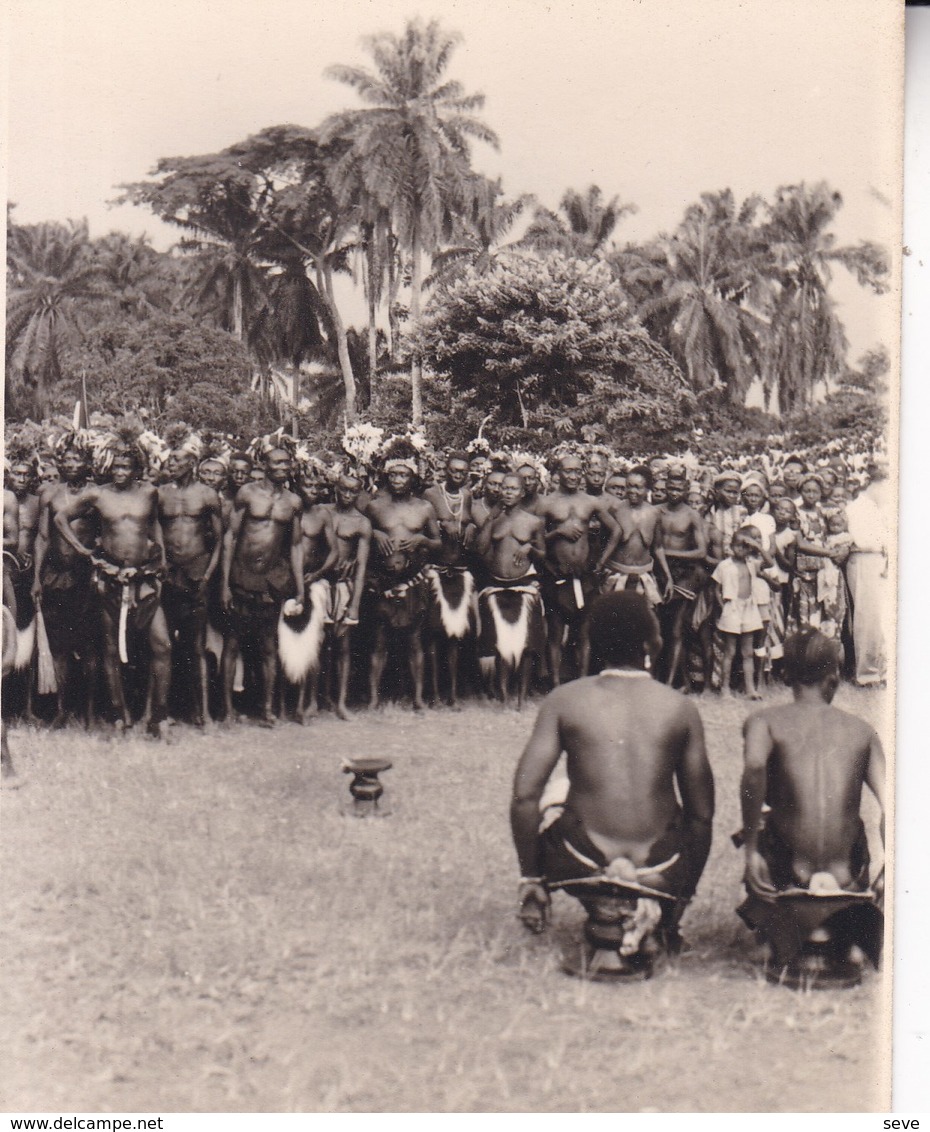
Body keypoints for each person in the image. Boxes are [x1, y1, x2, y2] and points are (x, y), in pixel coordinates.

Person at [510, 591, 714, 953]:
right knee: (687, 815)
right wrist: (683, 893)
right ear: (653, 642)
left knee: (554, 793)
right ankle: (663, 911)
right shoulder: (680, 708)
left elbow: (525, 796)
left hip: (581, 859)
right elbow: (702, 815)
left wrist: (532, 877)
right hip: (661, 863)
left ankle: (563, 895)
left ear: (592, 641)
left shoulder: (565, 699)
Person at [738, 629, 884, 971]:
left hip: (789, 877)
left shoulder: (763, 721)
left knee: (760, 821)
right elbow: (896, 806)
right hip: (848, 877)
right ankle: (847, 928)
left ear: (785, 674)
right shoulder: (863, 731)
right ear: (834, 677)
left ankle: (783, 929)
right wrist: (888, 868)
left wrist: (750, 848)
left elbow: (755, 766)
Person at [54, 442, 171, 737]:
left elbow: (154, 525)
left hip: (144, 578)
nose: (120, 472)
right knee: (109, 648)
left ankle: (159, 718)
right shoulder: (98, 494)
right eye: (116, 467)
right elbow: (60, 518)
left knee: (163, 645)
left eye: (126, 467)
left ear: (136, 470)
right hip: (110, 577)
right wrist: (84, 552)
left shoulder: (149, 493)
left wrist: (162, 558)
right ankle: (120, 716)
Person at [220, 447, 304, 726]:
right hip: (241, 576)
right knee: (232, 644)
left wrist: (300, 588)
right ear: (263, 464)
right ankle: (228, 710)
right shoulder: (247, 493)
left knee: (269, 646)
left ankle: (267, 710)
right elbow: (230, 537)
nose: (282, 467)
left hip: (270, 581)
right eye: (276, 462)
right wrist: (225, 584)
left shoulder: (293, 502)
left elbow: (294, 547)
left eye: (286, 462)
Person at [365, 456, 441, 710]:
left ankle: (418, 697)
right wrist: (375, 533)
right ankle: (375, 698)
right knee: (379, 640)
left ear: (413, 478)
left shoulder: (424, 508)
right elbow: (361, 533)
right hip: (383, 578)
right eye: (394, 474)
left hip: (413, 578)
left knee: (415, 639)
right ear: (387, 476)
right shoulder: (375, 507)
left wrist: (421, 539)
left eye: (404, 475)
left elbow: (438, 543)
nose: (398, 480)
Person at [537, 453, 621, 684]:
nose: (573, 476)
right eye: (567, 471)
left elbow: (616, 531)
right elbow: (533, 539)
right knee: (555, 632)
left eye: (576, 471)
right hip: (557, 574)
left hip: (584, 575)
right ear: (558, 474)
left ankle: (582, 683)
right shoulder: (546, 503)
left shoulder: (591, 502)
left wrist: (600, 562)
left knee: (584, 631)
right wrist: (557, 533)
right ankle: (555, 684)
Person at [32, 435, 97, 726]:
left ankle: (90, 710)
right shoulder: (50, 494)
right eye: (67, 459)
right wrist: (36, 578)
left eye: (77, 459)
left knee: (90, 644)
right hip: (56, 575)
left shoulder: (96, 493)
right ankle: (60, 709)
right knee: (58, 645)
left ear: (87, 463)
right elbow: (43, 537)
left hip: (87, 575)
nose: (71, 464)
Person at [158, 442, 223, 727]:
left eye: (176, 460)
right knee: (164, 644)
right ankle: (168, 710)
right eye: (170, 459)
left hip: (197, 572)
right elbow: (156, 530)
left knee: (196, 646)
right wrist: (161, 561)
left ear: (191, 463)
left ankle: (204, 713)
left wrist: (208, 574)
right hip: (169, 574)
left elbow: (220, 540)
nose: (170, 464)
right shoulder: (161, 494)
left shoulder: (207, 495)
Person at [476, 472, 546, 708]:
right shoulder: (493, 520)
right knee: (500, 643)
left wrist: (529, 548)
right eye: (504, 488)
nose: (507, 492)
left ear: (522, 492)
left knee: (525, 645)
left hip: (523, 584)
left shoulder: (533, 522)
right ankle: (504, 695)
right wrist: (488, 520)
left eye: (513, 489)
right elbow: (481, 548)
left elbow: (543, 553)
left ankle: (521, 697)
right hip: (497, 585)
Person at [423, 451, 478, 707]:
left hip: (459, 571)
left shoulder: (467, 495)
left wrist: (471, 526)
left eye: (462, 472)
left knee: (456, 636)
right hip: (437, 569)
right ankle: (434, 693)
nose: (457, 475)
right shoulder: (431, 494)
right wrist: (438, 523)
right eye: (453, 470)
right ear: (445, 469)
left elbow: (469, 522)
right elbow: (424, 527)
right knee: (435, 634)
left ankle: (453, 693)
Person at [657, 466, 708, 689]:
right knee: (659, 628)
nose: (674, 492)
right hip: (658, 573)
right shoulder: (656, 511)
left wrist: (668, 554)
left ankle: (670, 683)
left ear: (686, 489)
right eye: (671, 487)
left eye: (679, 488)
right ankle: (677, 680)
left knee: (676, 629)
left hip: (683, 574)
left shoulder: (691, 515)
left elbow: (701, 552)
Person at [712, 525, 768, 699]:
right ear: (731, 546)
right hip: (732, 608)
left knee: (748, 652)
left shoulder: (752, 564)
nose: (741, 550)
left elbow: (771, 562)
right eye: (737, 546)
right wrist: (723, 607)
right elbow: (716, 589)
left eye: (745, 546)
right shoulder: (724, 565)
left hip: (749, 608)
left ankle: (750, 689)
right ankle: (725, 689)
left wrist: (758, 546)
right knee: (730, 651)